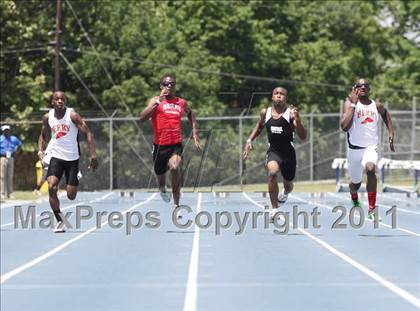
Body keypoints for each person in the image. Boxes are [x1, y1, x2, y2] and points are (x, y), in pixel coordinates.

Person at [38, 91, 98, 232]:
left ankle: (75, 176)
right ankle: (60, 221)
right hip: (56, 157)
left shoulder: (72, 115)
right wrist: (40, 151)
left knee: (71, 196)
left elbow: (88, 132)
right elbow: (43, 135)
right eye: (57, 99)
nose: (60, 101)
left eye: (62, 99)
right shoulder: (48, 117)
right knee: (52, 186)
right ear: (52, 102)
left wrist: (93, 155)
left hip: (72, 158)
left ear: (65, 101)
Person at [243, 87, 306, 220]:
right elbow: (259, 126)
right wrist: (249, 140)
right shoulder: (265, 112)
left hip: (288, 153)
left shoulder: (290, 114)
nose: (279, 96)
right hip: (274, 152)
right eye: (276, 94)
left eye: (282, 94)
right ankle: (274, 209)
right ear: (272, 97)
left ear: (285, 98)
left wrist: (298, 120)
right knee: (272, 173)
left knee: (288, 185)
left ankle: (285, 192)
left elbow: (303, 136)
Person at [139, 75, 201, 208]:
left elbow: (190, 113)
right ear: (161, 86)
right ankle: (162, 188)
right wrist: (158, 101)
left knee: (175, 167)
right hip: (160, 146)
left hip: (175, 144)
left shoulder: (181, 102)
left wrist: (195, 131)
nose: (169, 86)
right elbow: (142, 117)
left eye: (172, 84)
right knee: (160, 177)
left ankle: (176, 203)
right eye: (166, 84)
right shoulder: (155, 101)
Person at [340, 78, 395, 221]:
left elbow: (385, 114)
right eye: (360, 85)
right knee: (355, 184)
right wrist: (352, 103)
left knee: (371, 169)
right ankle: (354, 196)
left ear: (369, 89)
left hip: (370, 147)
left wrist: (390, 132)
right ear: (354, 89)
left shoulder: (376, 106)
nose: (363, 87)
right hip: (354, 150)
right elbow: (344, 127)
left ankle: (371, 209)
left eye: (366, 86)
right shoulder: (349, 104)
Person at [0, 125, 23, 200]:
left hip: (11, 158)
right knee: (2, 177)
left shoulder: (13, 138)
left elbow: (20, 144)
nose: (6, 131)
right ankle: (2, 193)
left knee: (10, 176)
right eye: (5, 130)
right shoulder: (0, 138)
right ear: (2, 131)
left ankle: (10, 193)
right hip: (3, 157)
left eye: (7, 130)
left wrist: (16, 151)